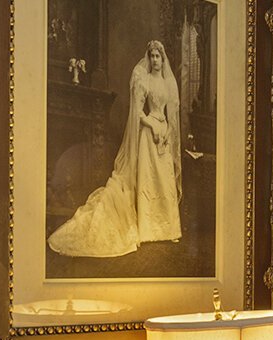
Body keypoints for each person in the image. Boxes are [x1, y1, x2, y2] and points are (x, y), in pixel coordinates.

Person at [48, 40, 182, 257]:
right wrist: (152, 125)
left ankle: (168, 228)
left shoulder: (168, 83)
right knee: (148, 179)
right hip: (148, 134)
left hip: (162, 134)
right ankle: (147, 229)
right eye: (152, 56)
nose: (155, 60)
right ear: (149, 58)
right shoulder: (144, 80)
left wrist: (166, 132)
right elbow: (137, 113)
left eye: (158, 56)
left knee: (164, 180)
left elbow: (171, 116)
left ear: (163, 58)